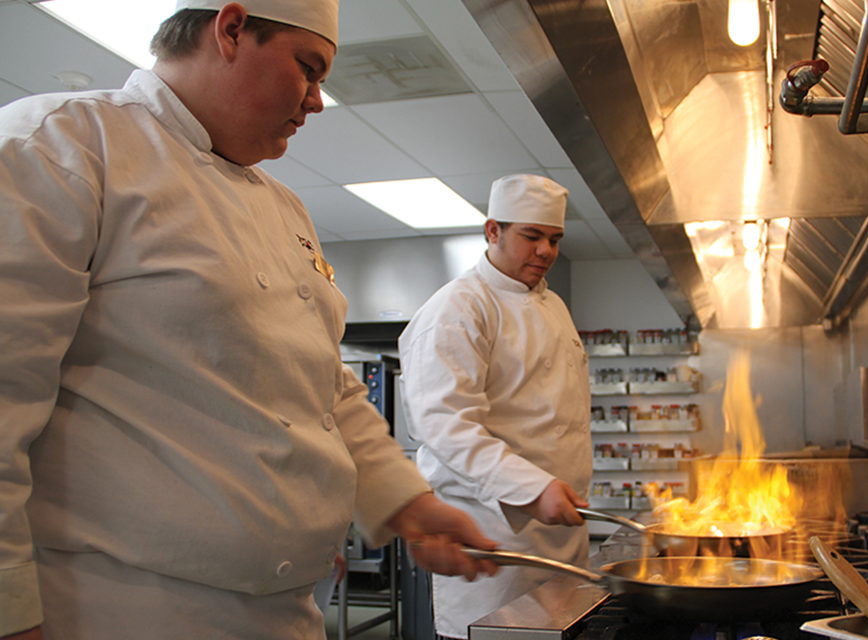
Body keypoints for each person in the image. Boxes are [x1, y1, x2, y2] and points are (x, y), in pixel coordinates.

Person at [0, 1, 497, 638]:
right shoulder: (61, 145)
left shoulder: (287, 210)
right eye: (309, 70)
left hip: (287, 609)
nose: (317, 101)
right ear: (232, 28)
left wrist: (409, 502)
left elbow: (325, 384)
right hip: (121, 608)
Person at [398, 174, 593, 640]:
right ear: (493, 231)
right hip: (496, 542)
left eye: (554, 239)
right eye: (531, 236)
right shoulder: (458, 309)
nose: (545, 250)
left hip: (563, 536)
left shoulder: (554, 306)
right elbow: (446, 426)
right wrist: (531, 487)